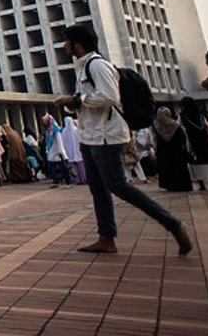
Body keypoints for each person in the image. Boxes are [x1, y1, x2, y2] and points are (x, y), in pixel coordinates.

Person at [54, 24, 193, 255]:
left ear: (77, 43)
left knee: (118, 185)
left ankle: (173, 224)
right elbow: (93, 101)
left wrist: (77, 100)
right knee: (98, 188)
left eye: (66, 40)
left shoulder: (97, 65)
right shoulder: (81, 68)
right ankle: (106, 237)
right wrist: (75, 106)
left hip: (107, 136)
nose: (63, 44)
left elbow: (110, 96)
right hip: (90, 135)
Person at [178, 97, 208, 192]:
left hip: (193, 141)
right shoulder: (200, 114)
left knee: (197, 162)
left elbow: (180, 127)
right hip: (205, 140)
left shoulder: (183, 116)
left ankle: (202, 185)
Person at [152, 107, 193, 192]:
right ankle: (183, 185)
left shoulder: (156, 126)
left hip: (163, 151)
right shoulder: (175, 125)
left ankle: (170, 185)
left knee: (167, 168)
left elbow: (154, 139)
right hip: (177, 151)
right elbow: (183, 137)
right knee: (179, 168)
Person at [43, 115, 70, 187]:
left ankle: (68, 181)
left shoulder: (56, 130)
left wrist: (62, 153)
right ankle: (56, 181)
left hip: (58, 152)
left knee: (63, 167)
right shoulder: (49, 130)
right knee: (52, 167)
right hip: (51, 152)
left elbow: (60, 142)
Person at [60, 118, 86, 184]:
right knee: (81, 166)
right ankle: (83, 179)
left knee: (73, 166)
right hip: (77, 150)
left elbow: (63, 142)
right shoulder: (76, 130)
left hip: (70, 151)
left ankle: (76, 180)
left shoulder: (64, 131)